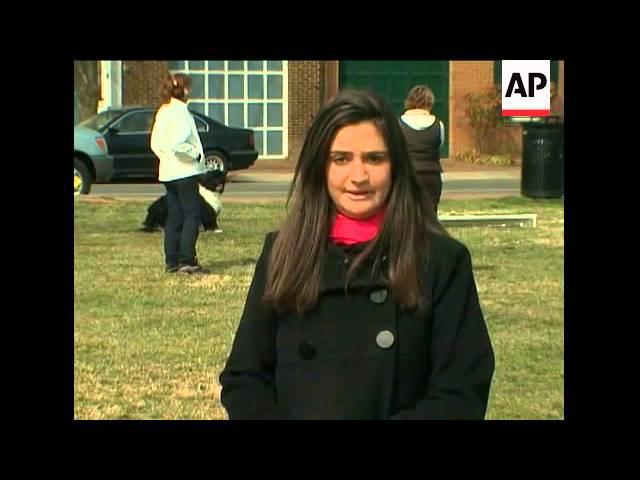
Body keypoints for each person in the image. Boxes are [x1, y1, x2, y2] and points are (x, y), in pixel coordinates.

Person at [219, 89, 495, 420]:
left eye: (375, 158)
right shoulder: (282, 252)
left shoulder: (442, 260)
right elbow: (245, 378)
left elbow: (461, 393)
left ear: (396, 166)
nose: (359, 176)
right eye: (341, 159)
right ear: (320, 166)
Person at [150, 73, 208, 274]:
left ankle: (172, 261)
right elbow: (179, 144)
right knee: (192, 214)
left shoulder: (164, 111)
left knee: (174, 215)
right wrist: (196, 156)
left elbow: (155, 143)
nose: (190, 91)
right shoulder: (180, 112)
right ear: (182, 90)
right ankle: (187, 260)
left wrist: (166, 158)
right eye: (188, 87)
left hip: (168, 172)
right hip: (185, 171)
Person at [399, 85, 445, 216]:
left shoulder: (398, 124)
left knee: (407, 214)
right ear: (430, 102)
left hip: (406, 175)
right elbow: (439, 144)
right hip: (431, 175)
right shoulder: (438, 124)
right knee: (430, 215)